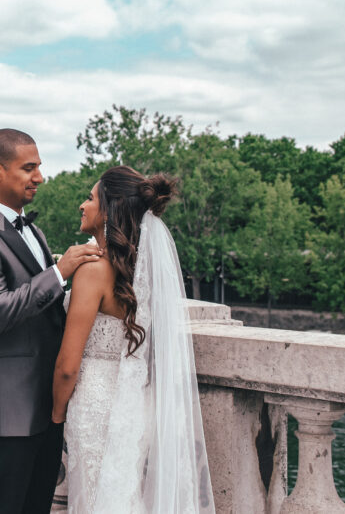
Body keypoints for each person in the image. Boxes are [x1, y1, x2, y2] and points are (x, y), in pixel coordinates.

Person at [0, 128, 104, 514]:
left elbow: (43, 306)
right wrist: (60, 272)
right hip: (5, 416)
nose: (39, 177)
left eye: (39, 167)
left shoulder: (31, 228)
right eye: (29, 168)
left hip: (44, 409)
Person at [52, 165, 215, 513]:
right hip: (134, 404)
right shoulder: (145, 269)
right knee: (123, 497)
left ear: (109, 210)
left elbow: (68, 366)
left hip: (94, 405)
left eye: (90, 198)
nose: (82, 205)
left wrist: (55, 415)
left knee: (95, 499)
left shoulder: (93, 272)